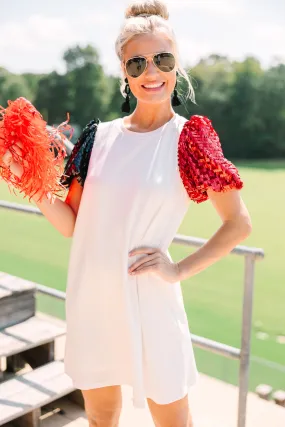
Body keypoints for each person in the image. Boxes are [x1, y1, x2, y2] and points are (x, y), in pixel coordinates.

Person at [2, 1, 252, 426]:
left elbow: (238, 224)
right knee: (101, 418)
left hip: (151, 301)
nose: (151, 73)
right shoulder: (98, 137)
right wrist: (26, 177)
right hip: (92, 297)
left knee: (173, 419)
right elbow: (72, 225)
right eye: (137, 63)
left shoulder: (189, 138)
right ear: (123, 72)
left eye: (163, 59)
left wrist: (178, 270)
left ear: (177, 65)